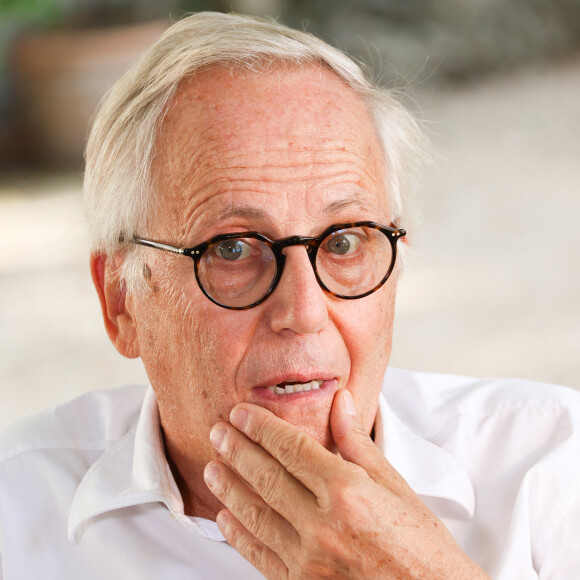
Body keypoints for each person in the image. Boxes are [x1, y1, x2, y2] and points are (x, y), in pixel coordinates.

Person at [0, 11, 579, 579]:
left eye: (346, 241)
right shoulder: (18, 510)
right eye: (231, 250)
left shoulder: (551, 467)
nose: (303, 313)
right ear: (121, 301)